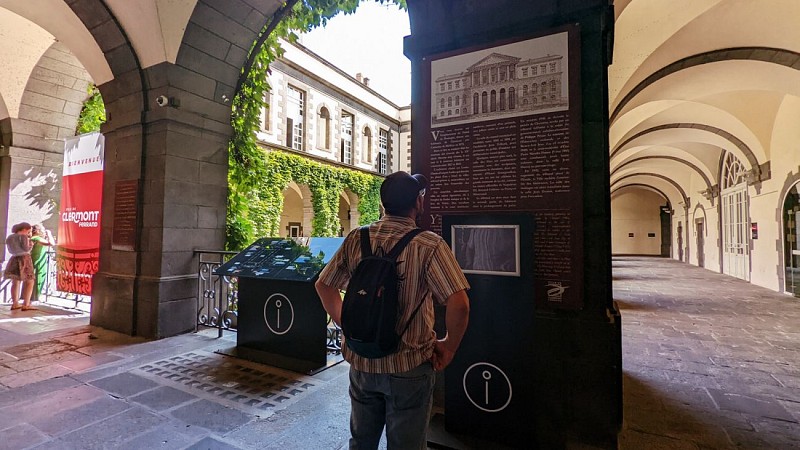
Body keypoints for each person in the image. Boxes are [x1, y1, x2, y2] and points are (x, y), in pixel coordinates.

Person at [315, 171, 470, 449]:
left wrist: (347, 325)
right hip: (408, 365)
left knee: (361, 442)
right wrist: (448, 347)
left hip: (362, 361)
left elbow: (324, 285)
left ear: (382, 203)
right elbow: (460, 305)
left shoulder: (357, 237)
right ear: (418, 203)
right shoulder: (429, 244)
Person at [4, 222, 36, 311]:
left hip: (14, 258)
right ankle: (26, 304)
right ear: (24, 229)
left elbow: (10, 249)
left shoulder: (9, 237)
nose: (29, 233)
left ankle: (15, 303)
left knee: (15, 281)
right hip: (24, 258)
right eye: (28, 231)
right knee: (30, 280)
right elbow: (26, 248)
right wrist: (31, 244)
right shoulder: (23, 237)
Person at [30, 224, 54, 302]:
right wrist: (49, 234)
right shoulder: (37, 238)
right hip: (38, 261)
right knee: (38, 278)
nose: (44, 231)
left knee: (36, 278)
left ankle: (33, 297)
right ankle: (35, 297)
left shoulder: (33, 238)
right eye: (43, 230)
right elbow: (51, 243)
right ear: (38, 231)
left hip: (37, 260)